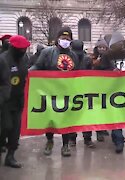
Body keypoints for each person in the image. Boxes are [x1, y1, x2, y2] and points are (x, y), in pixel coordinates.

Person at [30, 26, 80, 157]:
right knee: (50, 119)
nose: (65, 40)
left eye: (68, 38)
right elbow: (38, 66)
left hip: (67, 92)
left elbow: (79, 73)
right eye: (63, 38)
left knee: (66, 119)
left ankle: (65, 145)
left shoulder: (73, 55)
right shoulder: (47, 52)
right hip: (50, 92)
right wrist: (28, 72)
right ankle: (49, 141)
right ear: (57, 39)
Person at [95, 31, 125, 153]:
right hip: (112, 90)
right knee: (116, 115)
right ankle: (118, 140)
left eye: (121, 43)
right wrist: (111, 70)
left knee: (122, 115)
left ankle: (117, 137)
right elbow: (101, 70)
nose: (120, 45)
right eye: (118, 43)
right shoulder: (107, 56)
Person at [0, 35, 30, 168]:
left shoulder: (24, 59)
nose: (23, 51)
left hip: (18, 100)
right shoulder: (3, 60)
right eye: (21, 49)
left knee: (15, 131)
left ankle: (10, 156)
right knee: (6, 127)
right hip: (4, 101)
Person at [68, 40, 96, 148]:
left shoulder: (75, 58)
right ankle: (84, 139)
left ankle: (76, 139)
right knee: (82, 115)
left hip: (79, 90)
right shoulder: (85, 58)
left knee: (76, 115)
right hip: (81, 90)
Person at [90, 38, 110, 142]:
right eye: (100, 47)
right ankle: (98, 132)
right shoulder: (92, 57)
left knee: (104, 110)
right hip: (95, 87)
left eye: (104, 47)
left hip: (106, 87)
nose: (102, 49)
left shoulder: (109, 57)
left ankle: (103, 128)